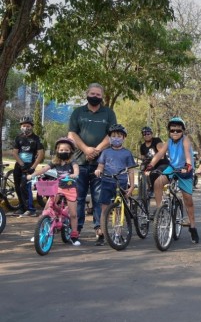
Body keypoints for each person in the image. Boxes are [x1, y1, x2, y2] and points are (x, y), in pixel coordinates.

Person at [68, 83, 117, 238]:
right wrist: (86, 149)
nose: (95, 97)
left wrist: (96, 150)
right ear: (87, 94)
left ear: (102, 96)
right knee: (79, 197)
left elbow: (112, 135)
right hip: (79, 162)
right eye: (93, 94)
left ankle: (99, 228)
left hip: (100, 163)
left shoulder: (108, 113)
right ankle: (77, 229)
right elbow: (72, 134)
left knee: (98, 198)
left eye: (98, 94)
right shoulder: (78, 112)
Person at [146, 117, 199, 244]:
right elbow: (159, 154)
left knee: (188, 199)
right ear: (169, 131)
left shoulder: (185, 140)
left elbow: (187, 154)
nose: (175, 132)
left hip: (185, 169)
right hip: (173, 167)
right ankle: (160, 212)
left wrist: (188, 166)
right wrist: (150, 166)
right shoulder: (168, 141)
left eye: (178, 130)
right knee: (158, 182)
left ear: (183, 131)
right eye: (172, 130)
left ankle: (192, 227)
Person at [27, 138, 80, 245]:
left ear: (70, 151)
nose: (63, 152)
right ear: (57, 150)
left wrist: (74, 175)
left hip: (70, 188)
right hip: (58, 187)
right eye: (61, 150)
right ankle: (40, 232)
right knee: (48, 207)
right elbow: (44, 169)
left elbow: (76, 170)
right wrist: (33, 175)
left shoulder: (72, 162)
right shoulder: (55, 162)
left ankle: (74, 235)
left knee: (73, 214)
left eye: (66, 150)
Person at [93, 124, 136, 246]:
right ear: (109, 137)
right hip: (106, 182)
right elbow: (100, 165)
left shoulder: (127, 153)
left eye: (119, 136)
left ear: (124, 138)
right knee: (104, 209)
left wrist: (132, 186)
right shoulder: (105, 152)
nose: (116, 138)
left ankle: (118, 233)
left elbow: (131, 170)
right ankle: (102, 234)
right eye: (113, 136)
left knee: (118, 210)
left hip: (121, 183)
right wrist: (98, 170)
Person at [11, 116, 45, 217]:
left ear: (32, 127)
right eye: (23, 126)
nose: (25, 128)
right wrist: (21, 164)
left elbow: (41, 154)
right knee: (17, 187)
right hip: (19, 166)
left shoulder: (36, 139)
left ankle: (31, 209)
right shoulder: (18, 138)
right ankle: (22, 207)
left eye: (28, 126)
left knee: (25, 186)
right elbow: (14, 152)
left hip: (30, 166)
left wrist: (33, 167)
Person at [139, 126, 169, 194]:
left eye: (148, 133)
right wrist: (143, 161)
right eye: (144, 134)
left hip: (162, 163)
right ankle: (142, 193)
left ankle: (153, 189)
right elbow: (143, 157)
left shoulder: (156, 140)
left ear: (151, 134)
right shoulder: (142, 146)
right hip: (151, 165)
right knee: (142, 170)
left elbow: (161, 152)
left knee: (154, 173)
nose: (146, 135)